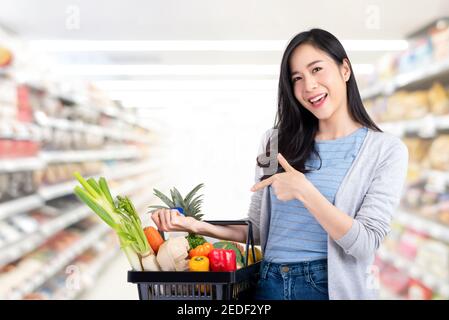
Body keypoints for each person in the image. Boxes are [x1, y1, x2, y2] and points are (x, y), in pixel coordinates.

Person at [151, 28, 409, 300]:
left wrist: (304, 191)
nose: (308, 85)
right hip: (269, 283)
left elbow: (365, 244)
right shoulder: (275, 142)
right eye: (297, 78)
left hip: (328, 287)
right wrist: (198, 226)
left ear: (345, 69)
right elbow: (259, 229)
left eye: (317, 69)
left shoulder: (385, 150)